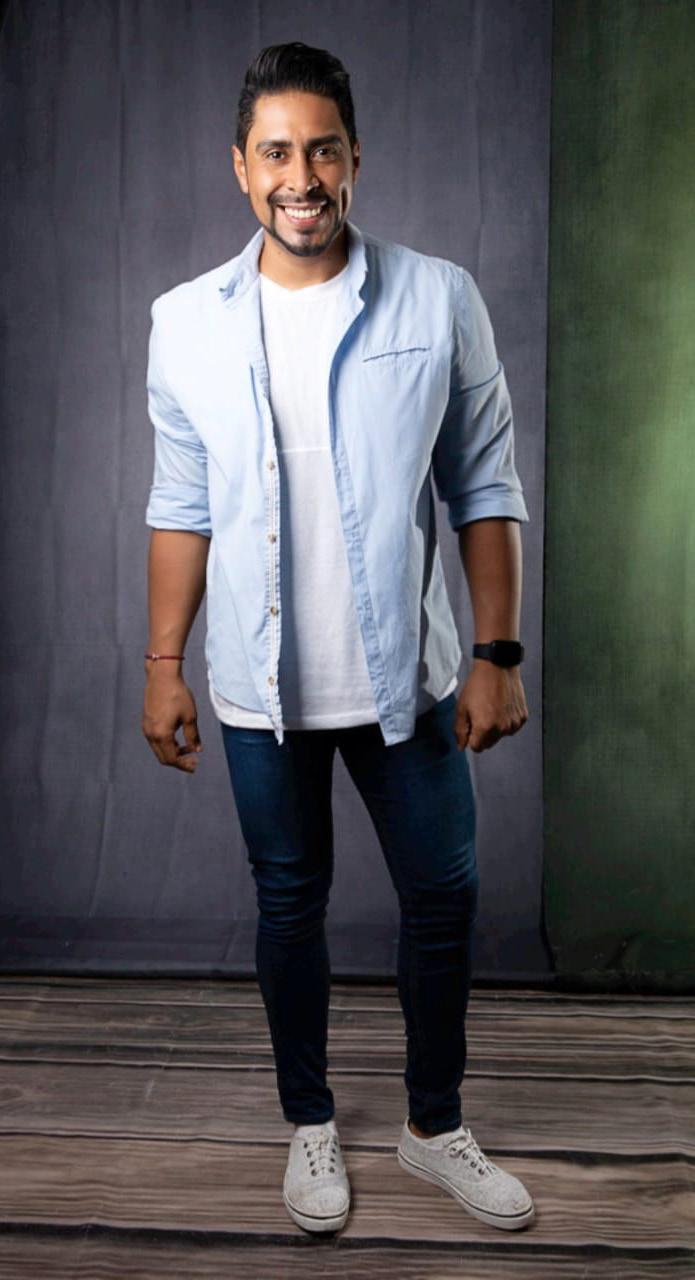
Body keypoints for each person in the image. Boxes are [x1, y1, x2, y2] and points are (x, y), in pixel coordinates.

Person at [142, 40, 534, 1235]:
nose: (299, 176)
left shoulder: (436, 296)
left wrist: (496, 653)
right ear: (239, 165)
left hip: (408, 682)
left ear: (354, 157)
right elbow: (180, 504)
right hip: (257, 690)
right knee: (286, 903)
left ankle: (432, 1125)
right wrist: (161, 664)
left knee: (443, 897)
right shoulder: (183, 323)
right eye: (276, 152)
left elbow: (483, 483)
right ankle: (309, 1122)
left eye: (321, 149)